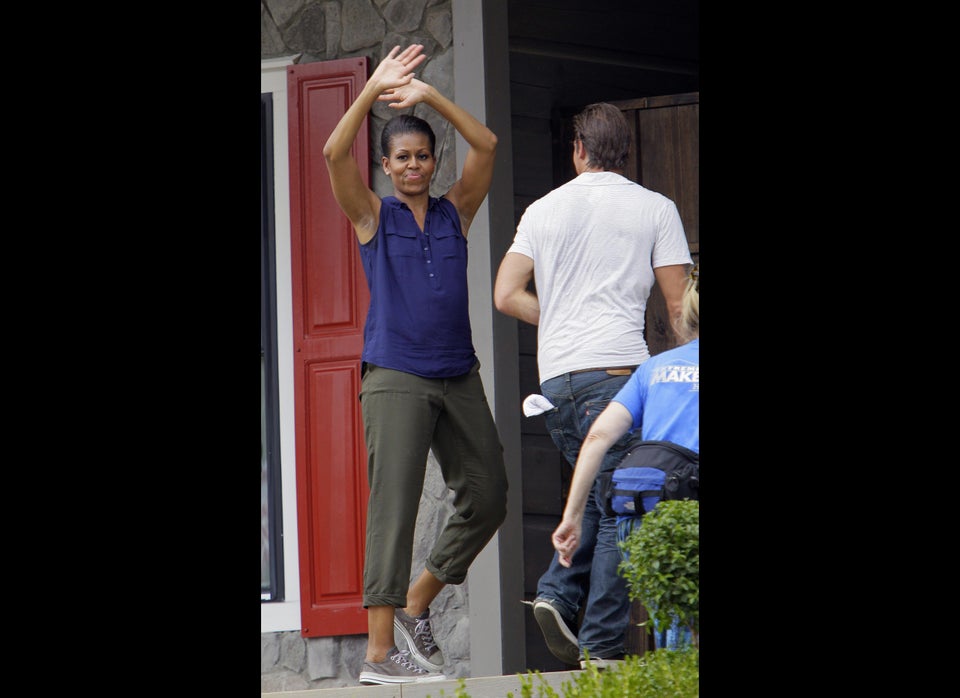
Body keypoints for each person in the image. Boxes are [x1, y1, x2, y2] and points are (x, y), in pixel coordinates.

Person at [323, 44, 509, 686]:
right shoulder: (372, 215)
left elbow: (484, 146)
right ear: (385, 165)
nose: (413, 165)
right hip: (396, 373)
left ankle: (417, 602)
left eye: (422, 155)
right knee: (395, 507)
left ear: (433, 161)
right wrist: (373, 89)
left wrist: (429, 98)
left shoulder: (456, 212)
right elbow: (329, 154)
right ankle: (379, 655)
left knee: (489, 492)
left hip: (457, 371)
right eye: (401, 157)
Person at [493, 102, 692, 669]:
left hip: (554, 382)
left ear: (578, 149)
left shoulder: (541, 209)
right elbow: (679, 308)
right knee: (623, 501)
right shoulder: (656, 208)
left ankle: (559, 595)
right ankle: (602, 643)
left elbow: (505, 293)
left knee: (606, 498)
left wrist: (556, 320)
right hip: (617, 373)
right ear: (623, 151)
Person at [551, 262, 699, 649]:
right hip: (690, 509)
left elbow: (598, 435)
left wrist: (573, 517)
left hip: (639, 512)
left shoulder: (653, 368)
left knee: (672, 633)